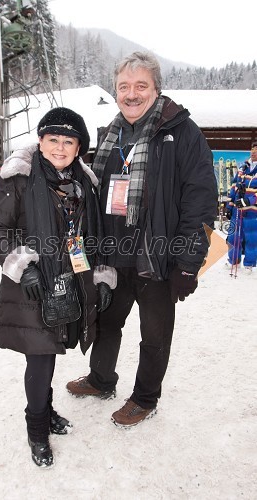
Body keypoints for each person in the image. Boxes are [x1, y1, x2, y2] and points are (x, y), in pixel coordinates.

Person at [66, 51, 218, 428]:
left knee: (154, 335)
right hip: (113, 257)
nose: (131, 94)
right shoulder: (110, 134)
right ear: (115, 91)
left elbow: (199, 203)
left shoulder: (182, 133)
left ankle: (145, 398)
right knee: (104, 322)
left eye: (141, 86)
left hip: (158, 260)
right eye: (123, 87)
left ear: (156, 89)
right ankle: (101, 380)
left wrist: (188, 264)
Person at [0, 107, 115, 467]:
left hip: (70, 282)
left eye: (68, 141)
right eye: (53, 139)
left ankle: (46, 407)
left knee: (52, 351)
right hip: (33, 286)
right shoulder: (19, 178)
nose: (59, 147)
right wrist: (22, 267)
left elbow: (95, 236)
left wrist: (101, 277)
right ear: (40, 141)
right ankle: (37, 430)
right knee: (40, 358)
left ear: (79, 148)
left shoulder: (84, 183)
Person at [225, 141, 257, 273]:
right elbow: (233, 188)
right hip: (237, 210)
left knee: (251, 238)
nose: (254, 152)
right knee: (233, 237)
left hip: (252, 212)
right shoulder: (242, 168)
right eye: (252, 149)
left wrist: (248, 201)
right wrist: (229, 206)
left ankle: (249, 264)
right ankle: (234, 261)